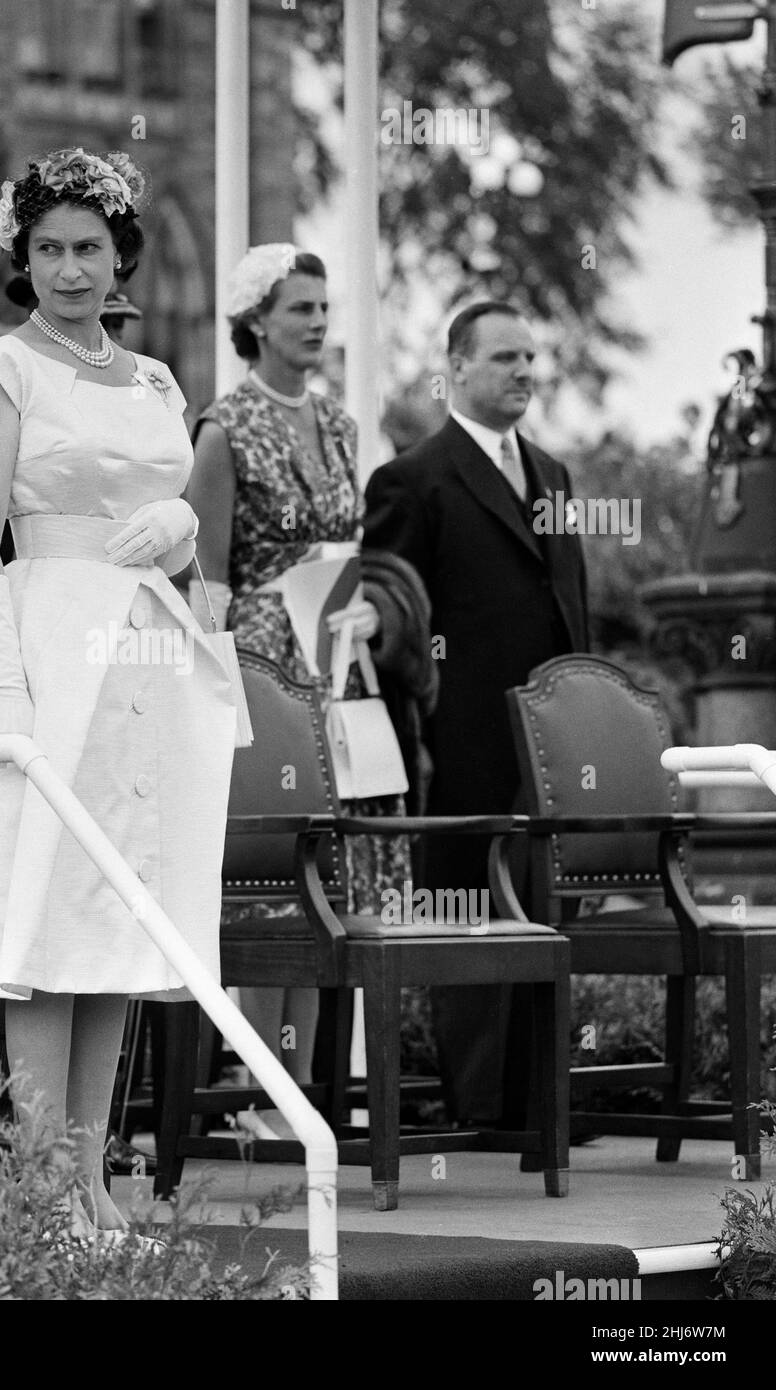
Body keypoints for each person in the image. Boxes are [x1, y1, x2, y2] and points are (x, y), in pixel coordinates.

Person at [0, 149, 238, 1240]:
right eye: (45, 249)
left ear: (119, 254)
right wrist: (7, 679)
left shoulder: (152, 381)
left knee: (118, 916)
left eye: (87, 248)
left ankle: (95, 1183)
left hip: (144, 652)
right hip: (45, 648)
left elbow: (181, 528)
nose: (68, 269)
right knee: (44, 914)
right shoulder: (5, 369)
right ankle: (45, 1191)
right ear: (22, 260)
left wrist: (185, 533)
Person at [184, 244, 436, 1141]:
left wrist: (369, 609)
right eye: (300, 309)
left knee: (336, 871)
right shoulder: (221, 427)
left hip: (340, 663)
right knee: (270, 879)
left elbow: (352, 547)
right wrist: (215, 684)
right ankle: (261, 1097)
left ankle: (316, 1094)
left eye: (324, 308)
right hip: (262, 669)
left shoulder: (339, 425)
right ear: (256, 321)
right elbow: (204, 576)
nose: (319, 323)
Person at [361, 300, 589, 1128]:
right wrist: (409, 748)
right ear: (455, 367)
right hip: (456, 747)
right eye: (504, 359)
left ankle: (540, 1108)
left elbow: (571, 606)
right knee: (465, 919)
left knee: (543, 920)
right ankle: (479, 1112)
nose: (523, 372)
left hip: (547, 748)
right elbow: (391, 627)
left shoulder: (556, 477)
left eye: (530, 358)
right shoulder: (410, 480)